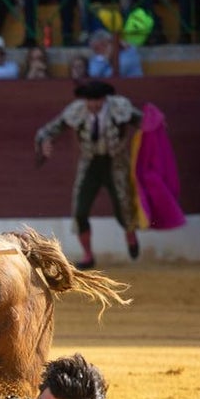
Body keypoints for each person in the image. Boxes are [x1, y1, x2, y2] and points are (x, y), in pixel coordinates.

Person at [33, 80, 142, 269]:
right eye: (90, 100)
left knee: (123, 207)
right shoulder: (77, 111)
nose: (94, 104)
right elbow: (47, 131)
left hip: (116, 162)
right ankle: (88, 256)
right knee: (80, 210)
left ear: (105, 98)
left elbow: (146, 122)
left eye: (98, 100)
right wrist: (44, 142)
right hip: (89, 163)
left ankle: (131, 236)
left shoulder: (119, 108)